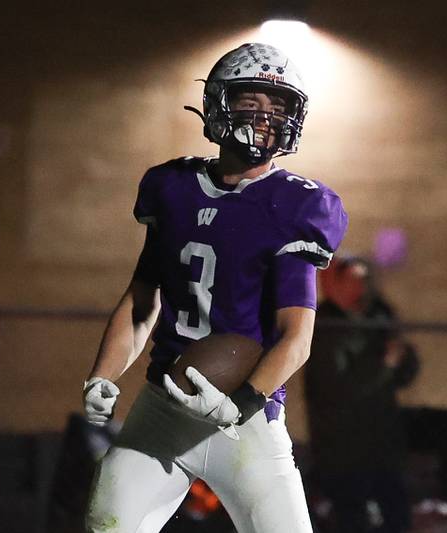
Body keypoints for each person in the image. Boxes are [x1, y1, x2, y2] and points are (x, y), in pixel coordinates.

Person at [81, 43, 348, 533]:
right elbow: (143, 302)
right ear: (219, 102)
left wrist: (240, 403)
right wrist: (104, 375)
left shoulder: (293, 206)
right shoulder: (172, 187)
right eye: (253, 102)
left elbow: (297, 337)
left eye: (279, 107)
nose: (266, 118)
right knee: (107, 524)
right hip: (164, 407)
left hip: (245, 418)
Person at [305, 256, 419, 533]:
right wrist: (384, 365)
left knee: (396, 510)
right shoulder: (326, 325)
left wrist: (402, 358)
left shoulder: (378, 317)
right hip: (342, 444)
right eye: (354, 280)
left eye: (365, 280)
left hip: (381, 438)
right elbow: (337, 386)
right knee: (351, 515)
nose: (361, 287)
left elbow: (404, 371)